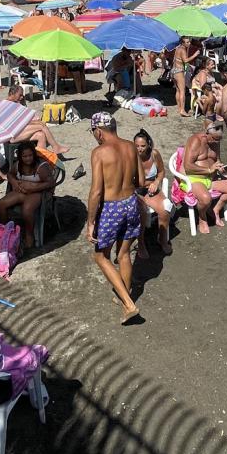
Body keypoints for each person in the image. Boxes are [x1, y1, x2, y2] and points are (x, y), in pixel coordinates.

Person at [87, 112, 142, 324]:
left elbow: (96, 192)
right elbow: (140, 179)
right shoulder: (130, 146)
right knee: (124, 253)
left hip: (111, 207)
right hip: (130, 202)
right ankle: (124, 295)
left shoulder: (99, 152)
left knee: (100, 256)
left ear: (98, 131)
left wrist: (91, 221)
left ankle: (128, 304)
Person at [182, 119, 227, 233]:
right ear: (206, 133)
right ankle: (202, 217)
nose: (215, 142)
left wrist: (221, 168)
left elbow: (217, 160)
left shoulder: (215, 142)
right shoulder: (195, 141)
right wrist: (209, 169)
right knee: (205, 199)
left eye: (218, 139)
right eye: (213, 138)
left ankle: (215, 210)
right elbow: (188, 166)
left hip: (211, 178)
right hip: (194, 178)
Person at [0, 142, 56, 250]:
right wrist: (14, 182)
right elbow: (10, 174)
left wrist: (33, 187)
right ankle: (5, 230)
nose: (28, 159)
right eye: (24, 156)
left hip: (38, 193)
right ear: (20, 156)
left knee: (27, 210)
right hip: (22, 191)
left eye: (30, 155)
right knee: (1, 204)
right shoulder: (18, 165)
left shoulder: (41, 166)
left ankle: (29, 234)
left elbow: (50, 183)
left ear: (34, 154)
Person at [133, 130, 172, 256]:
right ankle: (141, 242)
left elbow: (161, 172)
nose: (139, 149)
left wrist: (156, 182)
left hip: (151, 189)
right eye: (137, 146)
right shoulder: (131, 157)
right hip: (136, 190)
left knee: (165, 209)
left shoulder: (154, 154)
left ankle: (162, 238)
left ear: (148, 145)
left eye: (143, 146)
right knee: (142, 212)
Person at [5, 85, 70, 155]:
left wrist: (23, 105)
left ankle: (40, 158)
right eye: (20, 95)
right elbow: (17, 123)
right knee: (41, 126)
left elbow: (23, 119)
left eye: (22, 95)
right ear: (12, 93)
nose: (21, 97)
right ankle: (56, 147)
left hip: (17, 131)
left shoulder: (15, 104)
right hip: (12, 136)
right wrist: (35, 122)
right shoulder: (7, 105)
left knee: (41, 135)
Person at [172, 38, 200, 117]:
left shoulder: (178, 48)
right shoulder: (183, 49)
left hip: (173, 70)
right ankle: (182, 110)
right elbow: (186, 60)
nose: (189, 43)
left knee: (177, 90)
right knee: (182, 91)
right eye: (187, 42)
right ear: (183, 43)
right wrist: (195, 55)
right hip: (179, 71)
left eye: (189, 41)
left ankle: (179, 108)